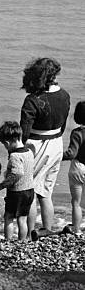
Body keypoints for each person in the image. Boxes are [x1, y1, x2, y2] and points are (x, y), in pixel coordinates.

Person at [19, 58, 70, 235]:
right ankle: (47, 230)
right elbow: (63, 126)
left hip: (36, 145)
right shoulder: (65, 95)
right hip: (56, 143)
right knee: (46, 192)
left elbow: (24, 132)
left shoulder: (32, 100)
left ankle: (30, 232)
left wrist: (19, 151)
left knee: (30, 190)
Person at [0, 121, 35, 241]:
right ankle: (22, 242)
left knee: (8, 217)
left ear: (7, 143)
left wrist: (2, 185)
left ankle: (8, 241)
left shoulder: (15, 156)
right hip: (29, 190)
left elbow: (17, 174)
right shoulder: (29, 151)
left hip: (17, 192)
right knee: (22, 219)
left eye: (4, 144)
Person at [62, 101, 85, 235]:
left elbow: (72, 153)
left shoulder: (77, 133)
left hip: (78, 168)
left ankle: (76, 230)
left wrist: (58, 156)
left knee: (76, 202)